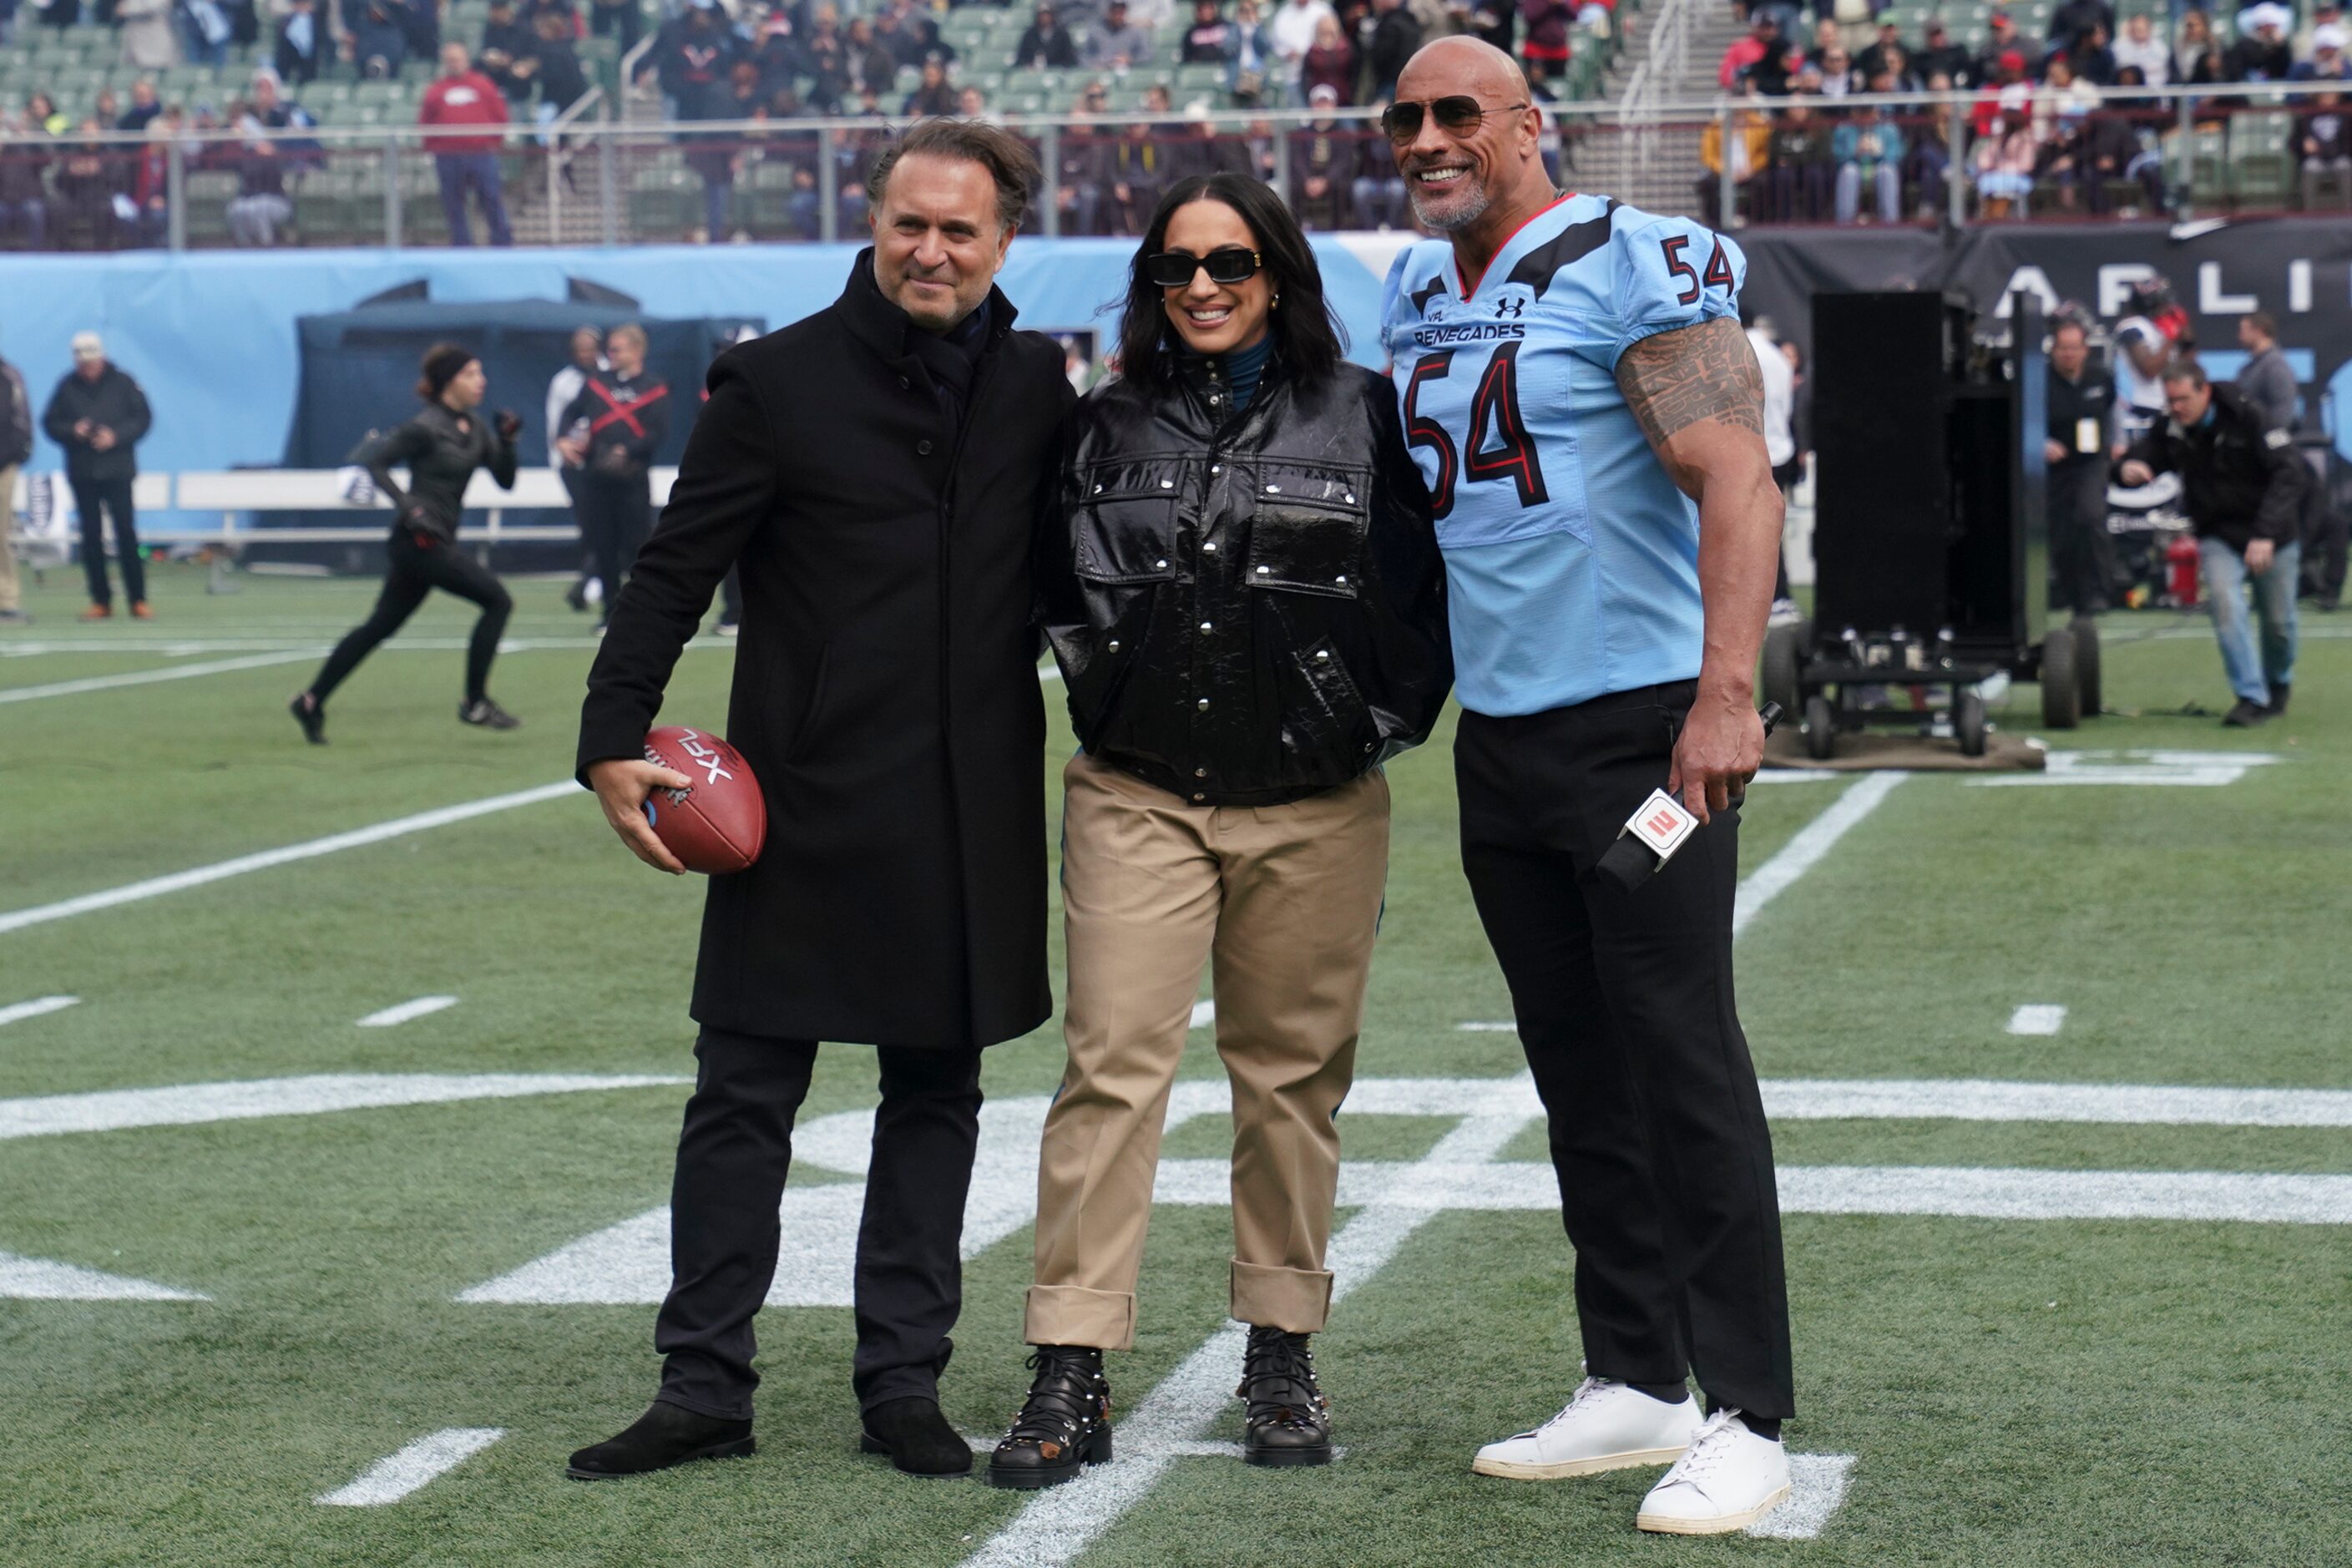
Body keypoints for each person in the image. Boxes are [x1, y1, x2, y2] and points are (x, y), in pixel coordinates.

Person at [566, 119, 1073, 1486]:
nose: (930, 249)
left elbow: (1078, 582)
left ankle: (900, 1380)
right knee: (740, 1093)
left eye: (959, 229)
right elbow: (672, 570)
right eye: (909, 222)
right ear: (873, 220)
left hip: (967, 806)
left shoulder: (1038, 382)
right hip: (797, 799)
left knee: (935, 1090)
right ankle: (702, 1382)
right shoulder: (774, 382)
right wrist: (610, 732)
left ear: (1003, 239)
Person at [1378, 36, 1792, 1535]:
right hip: (1503, 733)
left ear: (1527, 124)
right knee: (1574, 1065)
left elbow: (1734, 474)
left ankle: (1746, 1408)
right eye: (1408, 117)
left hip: (1638, 723)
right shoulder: (1415, 287)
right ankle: (1635, 1371)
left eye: (1457, 113)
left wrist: (1726, 692)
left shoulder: (1634, 262)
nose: (1429, 137)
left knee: (1681, 1055)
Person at [985, 168, 1449, 1491]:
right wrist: (1104, 688)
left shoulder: (1362, 415)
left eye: (1229, 263)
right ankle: (1070, 1357)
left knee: (1291, 1084)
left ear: (1277, 274)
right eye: (1177, 267)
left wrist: (1359, 723)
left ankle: (1281, 1344)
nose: (1201, 287)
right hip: (1137, 790)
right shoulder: (1096, 423)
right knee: (1111, 1069)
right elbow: (1044, 587)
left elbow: (1424, 599)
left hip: (1314, 804)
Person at [288, 344, 522, 741]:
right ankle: (475, 703)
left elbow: (505, 480)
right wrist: (410, 506)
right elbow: (375, 463)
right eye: (471, 374)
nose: (480, 381)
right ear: (449, 382)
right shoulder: (425, 427)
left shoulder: (476, 428)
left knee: (379, 627)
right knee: (498, 600)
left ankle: (310, 700)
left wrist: (508, 440)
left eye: (480, 373)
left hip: (435, 542)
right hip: (417, 543)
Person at [2119, 362, 2307, 726]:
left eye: (2184, 399)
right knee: (2224, 602)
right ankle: (2250, 696)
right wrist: (2128, 468)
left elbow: (2290, 473)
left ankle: (2278, 684)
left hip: (2271, 532)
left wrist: (2266, 534)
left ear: (2204, 391)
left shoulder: (2249, 415)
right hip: (2218, 533)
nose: (2176, 408)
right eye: (2170, 400)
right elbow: (2146, 453)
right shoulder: (2173, 425)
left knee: (2279, 623)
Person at [556, 322, 668, 633]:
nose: (610, 354)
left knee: (638, 549)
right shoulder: (595, 383)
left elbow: (658, 432)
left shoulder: (654, 386)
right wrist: (563, 439)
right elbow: (570, 413)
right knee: (602, 547)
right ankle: (610, 612)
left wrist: (627, 450)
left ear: (636, 351)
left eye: (617, 349)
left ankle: (643, 613)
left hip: (633, 481)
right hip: (596, 480)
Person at [43, 333, 153, 620]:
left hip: (118, 470)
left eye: (92, 361)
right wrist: (73, 431)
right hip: (83, 472)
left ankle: (138, 599)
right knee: (91, 538)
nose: (88, 366)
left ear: (101, 357)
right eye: (83, 362)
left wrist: (115, 436)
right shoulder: (67, 386)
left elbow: (142, 419)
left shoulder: (124, 383)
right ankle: (100, 601)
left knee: (126, 534)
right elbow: (50, 423)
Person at [2045, 313, 2122, 617]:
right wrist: (2041, 444)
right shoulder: (2039, 379)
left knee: (2091, 517)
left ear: (2085, 349)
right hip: (2053, 468)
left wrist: (2119, 442)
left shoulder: (2101, 377)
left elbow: (2114, 411)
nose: (2069, 354)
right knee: (2060, 530)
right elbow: (2022, 421)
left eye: (2074, 347)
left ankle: (2097, 593)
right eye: (2063, 348)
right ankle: (2066, 590)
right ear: (2054, 350)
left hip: (2091, 462)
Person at [418, 41, 513, 247]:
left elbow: (500, 116)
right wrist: (435, 146)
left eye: (457, 59)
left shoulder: (483, 85)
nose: (454, 64)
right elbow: (426, 121)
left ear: (466, 60)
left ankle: (502, 242)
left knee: (491, 197)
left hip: (481, 153)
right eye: (450, 60)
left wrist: (492, 142)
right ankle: (461, 244)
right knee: (453, 203)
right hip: (448, 155)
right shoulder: (436, 90)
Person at [548, 325, 605, 613]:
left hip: (606, 462)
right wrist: (561, 451)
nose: (585, 354)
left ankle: (590, 581)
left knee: (610, 523)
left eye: (590, 348)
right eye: (580, 349)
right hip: (574, 464)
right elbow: (556, 422)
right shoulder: (564, 382)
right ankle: (590, 580)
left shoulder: (609, 375)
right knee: (590, 522)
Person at [0, 336, 29, 624]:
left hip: (3, 465)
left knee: (0, 534)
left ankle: (6, 600)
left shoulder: (9, 375)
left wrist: (18, 452)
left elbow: (22, 421)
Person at [2234, 311, 2298, 436]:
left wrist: (2270, 440)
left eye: (2243, 331)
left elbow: (2283, 409)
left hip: (2265, 443)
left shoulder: (2276, 367)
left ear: (2259, 331)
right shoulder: (2249, 368)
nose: (2239, 336)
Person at [1014, 3, 1080, 68]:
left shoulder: (1062, 34)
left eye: (1047, 14)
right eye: (1042, 15)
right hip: (1033, 71)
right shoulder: (1030, 34)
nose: (1045, 17)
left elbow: (1070, 58)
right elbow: (1021, 57)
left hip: (1057, 71)